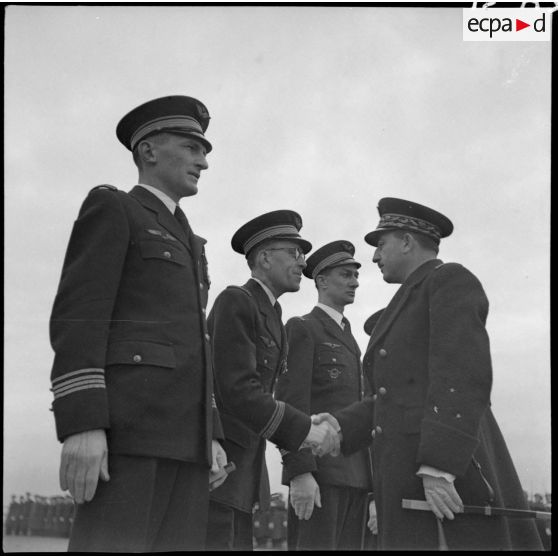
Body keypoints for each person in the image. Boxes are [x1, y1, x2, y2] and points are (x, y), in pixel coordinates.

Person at [49, 95, 228, 552]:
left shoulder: (189, 238)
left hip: (186, 445)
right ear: (149, 151)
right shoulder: (115, 209)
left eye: (204, 151)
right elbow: (80, 314)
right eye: (192, 147)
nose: (203, 162)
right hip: (127, 437)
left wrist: (211, 434)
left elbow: (196, 345)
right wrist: (83, 423)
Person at [316, 198, 542, 550]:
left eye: (381, 245)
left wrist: (439, 466)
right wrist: (339, 428)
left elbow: (462, 374)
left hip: (445, 479)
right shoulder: (409, 299)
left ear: (407, 241)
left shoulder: (448, 280)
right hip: (406, 478)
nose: (375, 257)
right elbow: (394, 396)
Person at [205, 210, 341, 551]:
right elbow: (236, 390)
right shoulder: (237, 301)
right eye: (294, 253)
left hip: (244, 471)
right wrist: (305, 430)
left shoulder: (273, 316)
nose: (302, 263)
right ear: (265, 258)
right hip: (218, 467)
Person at [274, 240, 373, 550]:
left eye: (356, 275)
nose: (355, 282)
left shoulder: (351, 338)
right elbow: (292, 405)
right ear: (321, 280)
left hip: (356, 478)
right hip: (319, 479)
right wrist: (299, 473)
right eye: (346, 274)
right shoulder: (303, 328)